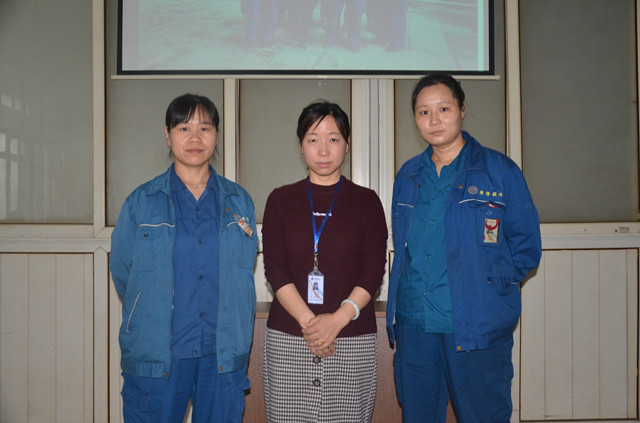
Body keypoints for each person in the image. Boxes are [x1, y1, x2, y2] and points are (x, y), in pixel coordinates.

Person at [387, 73, 542, 423]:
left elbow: (526, 247)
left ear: (461, 110)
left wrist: (489, 286)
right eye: (423, 112)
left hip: (475, 325)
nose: (434, 119)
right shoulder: (408, 175)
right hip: (415, 325)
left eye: (443, 108)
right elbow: (405, 246)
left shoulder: (498, 171)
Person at [110, 94, 259, 423]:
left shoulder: (238, 201)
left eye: (205, 128)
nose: (195, 138)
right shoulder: (141, 202)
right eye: (184, 128)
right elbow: (123, 272)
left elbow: (243, 267)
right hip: (159, 353)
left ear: (216, 136)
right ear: (168, 135)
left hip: (221, 353)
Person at [262, 101, 388, 423]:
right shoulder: (280, 200)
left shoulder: (367, 201)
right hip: (290, 337)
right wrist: (312, 326)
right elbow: (275, 269)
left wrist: (337, 320)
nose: (323, 150)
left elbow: (373, 271)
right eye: (313, 139)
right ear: (300, 145)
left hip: (351, 337)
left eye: (333, 139)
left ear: (347, 145)